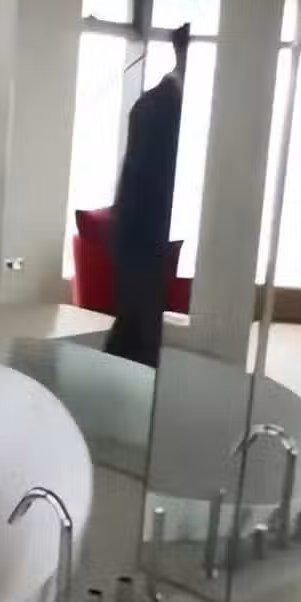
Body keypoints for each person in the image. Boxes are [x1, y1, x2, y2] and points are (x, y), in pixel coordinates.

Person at [104, 22, 190, 369]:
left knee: (135, 335)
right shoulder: (154, 106)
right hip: (143, 239)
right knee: (139, 337)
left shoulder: (165, 103)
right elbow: (139, 181)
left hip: (147, 239)